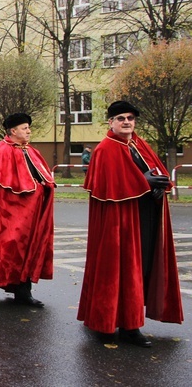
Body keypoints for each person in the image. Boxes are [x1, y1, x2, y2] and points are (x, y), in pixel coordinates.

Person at [77, 101, 183, 347]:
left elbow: (157, 172)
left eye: (131, 118)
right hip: (119, 224)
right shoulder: (105, 149)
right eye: (121, 118)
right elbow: (111, 188)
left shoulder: (139, 143)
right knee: (119, 270)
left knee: (141, 269)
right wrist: (143, 183)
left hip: (144, 217)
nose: (127, 122)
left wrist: (159, 187)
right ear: (110, 122)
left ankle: (129, 322)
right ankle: (122, 326)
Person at [0, 113, 55, 308]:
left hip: (31, 216)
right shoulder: (2, 151)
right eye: (25, 128)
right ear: (13, 131)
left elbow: (41, 179)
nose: (29, 131)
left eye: (28, 128)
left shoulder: (31, 151)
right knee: (8, 250)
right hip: (10, 217)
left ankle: (23, 291)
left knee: (25, 252)